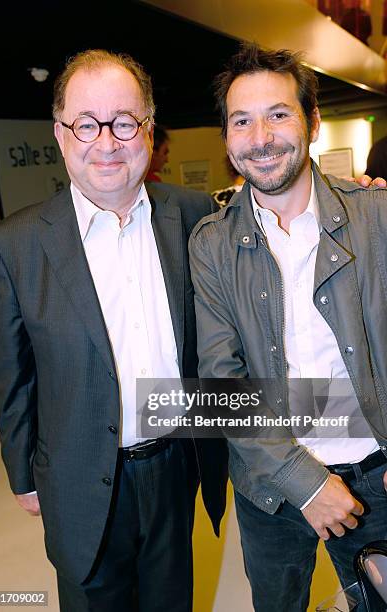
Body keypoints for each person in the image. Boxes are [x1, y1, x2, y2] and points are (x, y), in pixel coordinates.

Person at [0, 49, 227, 612]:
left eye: (124, 121)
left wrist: (359, 199)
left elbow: (276, 223)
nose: (107, 142)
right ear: (61, 135)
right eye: (86, 124)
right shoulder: (12, 247)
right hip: (77, 475)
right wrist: (23, 473)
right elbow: (11, 378)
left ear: (147, 125)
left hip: (175, 467)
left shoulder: (195, 215)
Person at [189, 42, 387, 612]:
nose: (261, 137)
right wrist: (307, 483)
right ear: (226, 137)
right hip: (270, 487)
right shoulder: (211, 245)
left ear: (313, 122)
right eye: (242, 121)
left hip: (375, 474)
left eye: (278, 114)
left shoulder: (375, 217)